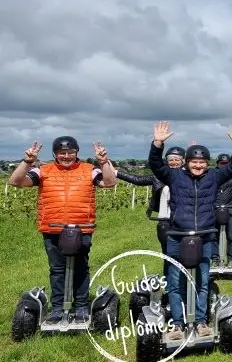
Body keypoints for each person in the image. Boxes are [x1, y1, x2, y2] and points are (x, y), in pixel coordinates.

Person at [148, 121, 232, 340]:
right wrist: (158, 143)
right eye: (194, 162)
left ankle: (201, 322)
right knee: (174, 282)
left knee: (202, 281)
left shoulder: (213, 177)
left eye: (202, 162)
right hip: (177, 236)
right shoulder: (175, 176)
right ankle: (178, 324)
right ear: (187, 162)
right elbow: (155, 164)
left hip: (204, 235)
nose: (198, 165)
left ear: (207, 164)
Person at [8, 137, 116, 324]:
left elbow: (109, 182)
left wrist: (104, 162)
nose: (66, 156)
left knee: (81, 268)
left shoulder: (89, 170)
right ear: (55, 154)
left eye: (71, 152)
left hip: (82, 227)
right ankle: (58, 308)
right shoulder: (43, 170)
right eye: (62, 153)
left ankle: (81, 306)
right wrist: (27, 162)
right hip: (52, 228)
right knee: (57, 270)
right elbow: (16, 181)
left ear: (77, 153)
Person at [115, 146, 185, 275]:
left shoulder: (188, 177)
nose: (174, 162)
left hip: (184, 222)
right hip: (165, 221)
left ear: (183, 161)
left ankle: (186, 286)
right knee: (168, 256)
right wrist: (116, 173)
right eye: (171, 160)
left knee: (185, 256)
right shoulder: (159, 176)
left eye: (177, 159)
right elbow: (138, 180)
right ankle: (170, 286)